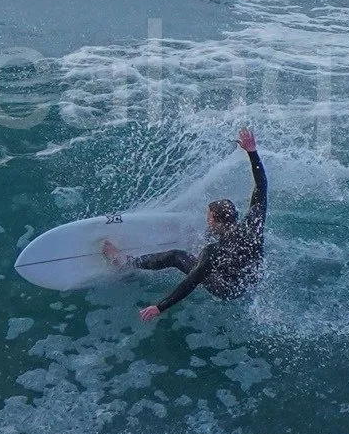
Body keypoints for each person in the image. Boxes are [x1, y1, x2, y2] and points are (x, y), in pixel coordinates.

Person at [103, 127, 266, 322]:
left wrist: (160, 307)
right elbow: (261, 186)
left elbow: (191, 282)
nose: (207, 221)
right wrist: (252, 153)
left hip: (228, 290)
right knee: (215, 247)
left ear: (216, 219)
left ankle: (125, 262)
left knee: (176, 256)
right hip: (249, 283)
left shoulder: (212, 252)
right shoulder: (253, 225)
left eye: (209, 218)